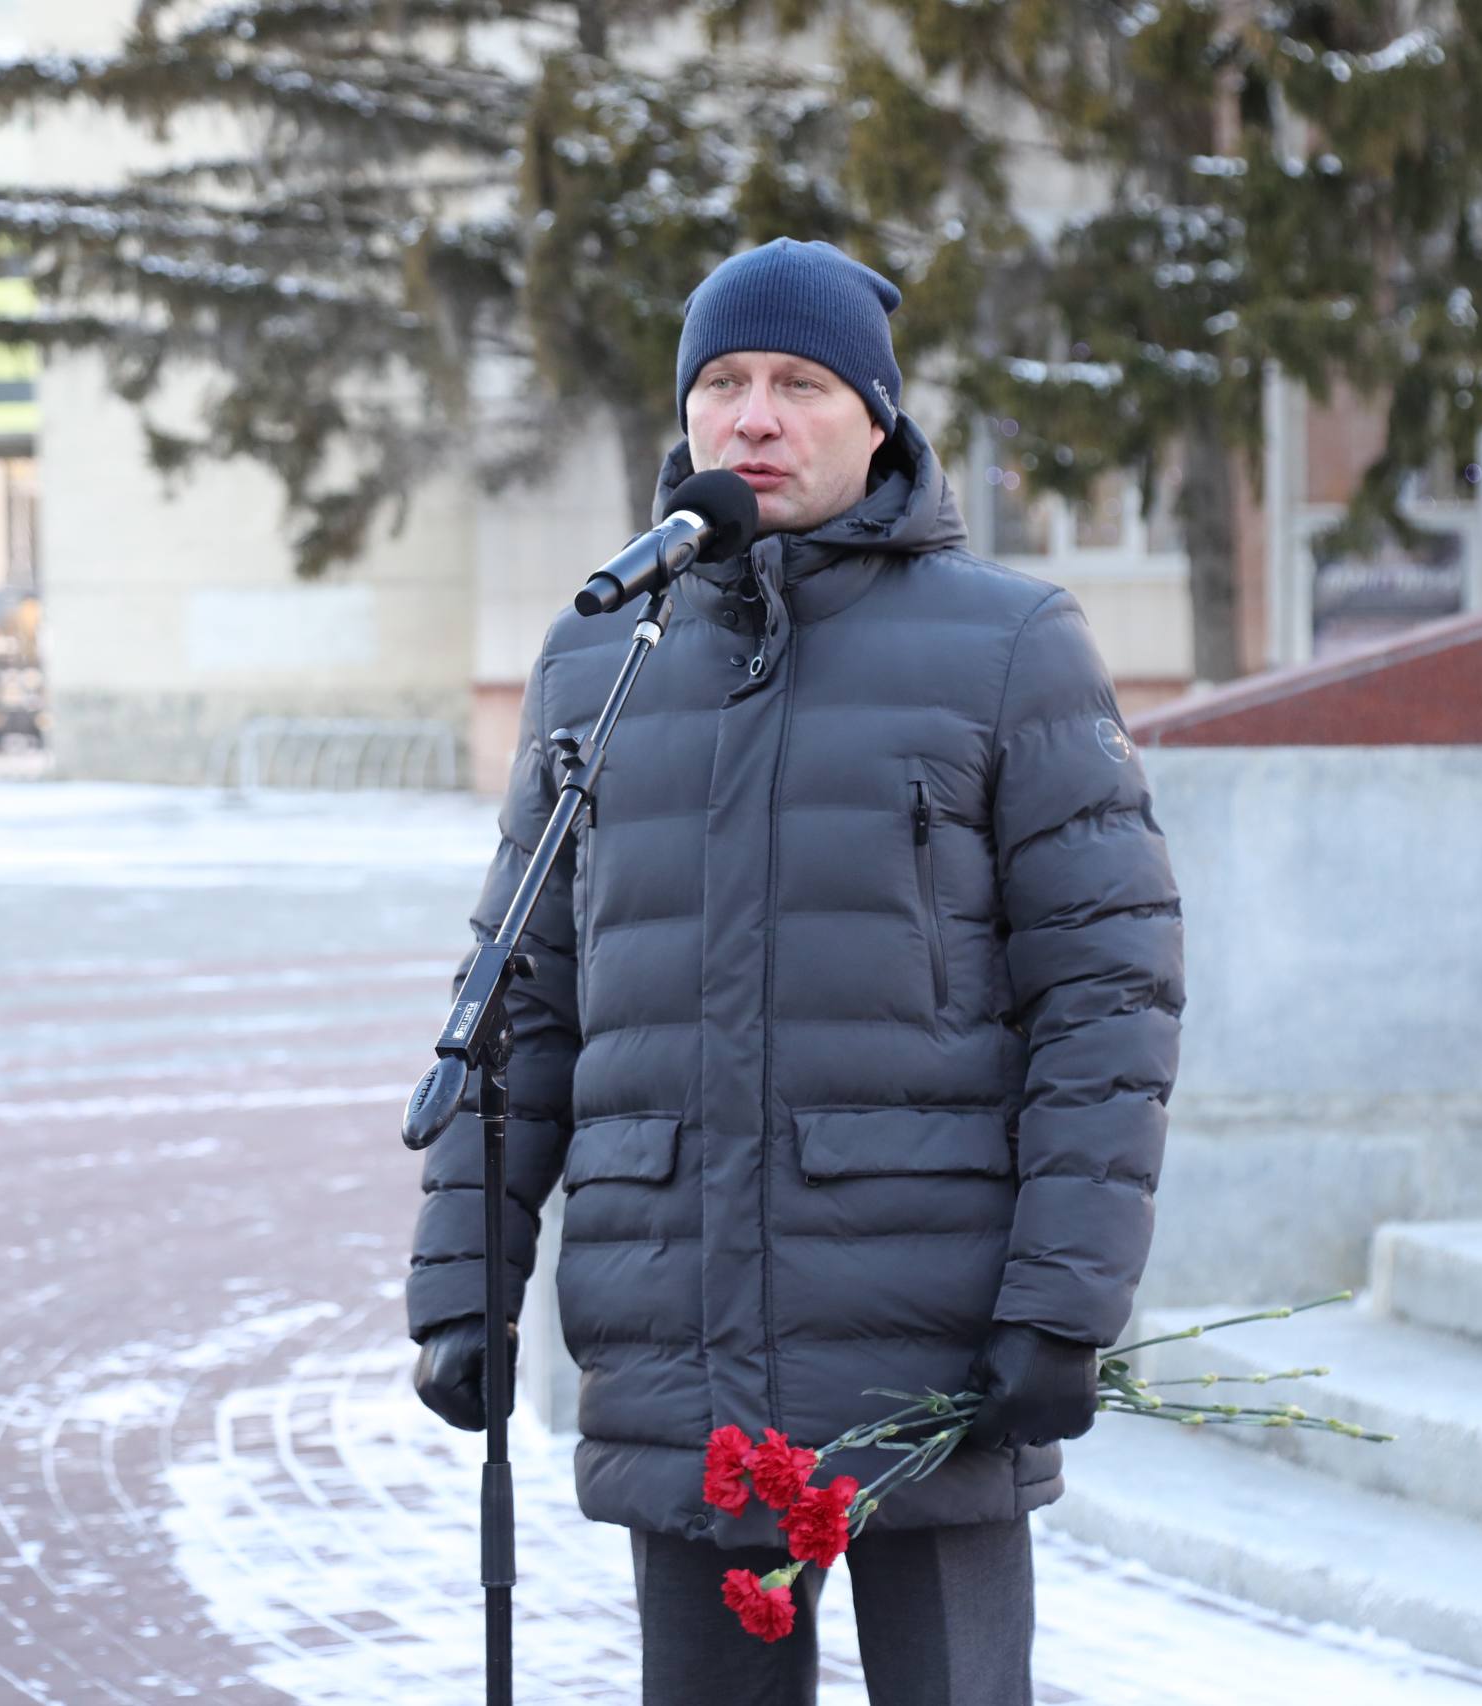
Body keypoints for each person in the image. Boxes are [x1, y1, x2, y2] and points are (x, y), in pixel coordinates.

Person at [405, 237, 1185, 1705]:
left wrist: (1064, 1298)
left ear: (876, 416)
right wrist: (467, 1277)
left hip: (931, 1341)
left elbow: (1109, 992)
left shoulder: (1011, 646)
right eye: (724, 384)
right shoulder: (601, 662)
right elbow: (522, 994)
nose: (755, 417)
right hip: (678, 1323)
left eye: (799, 384)